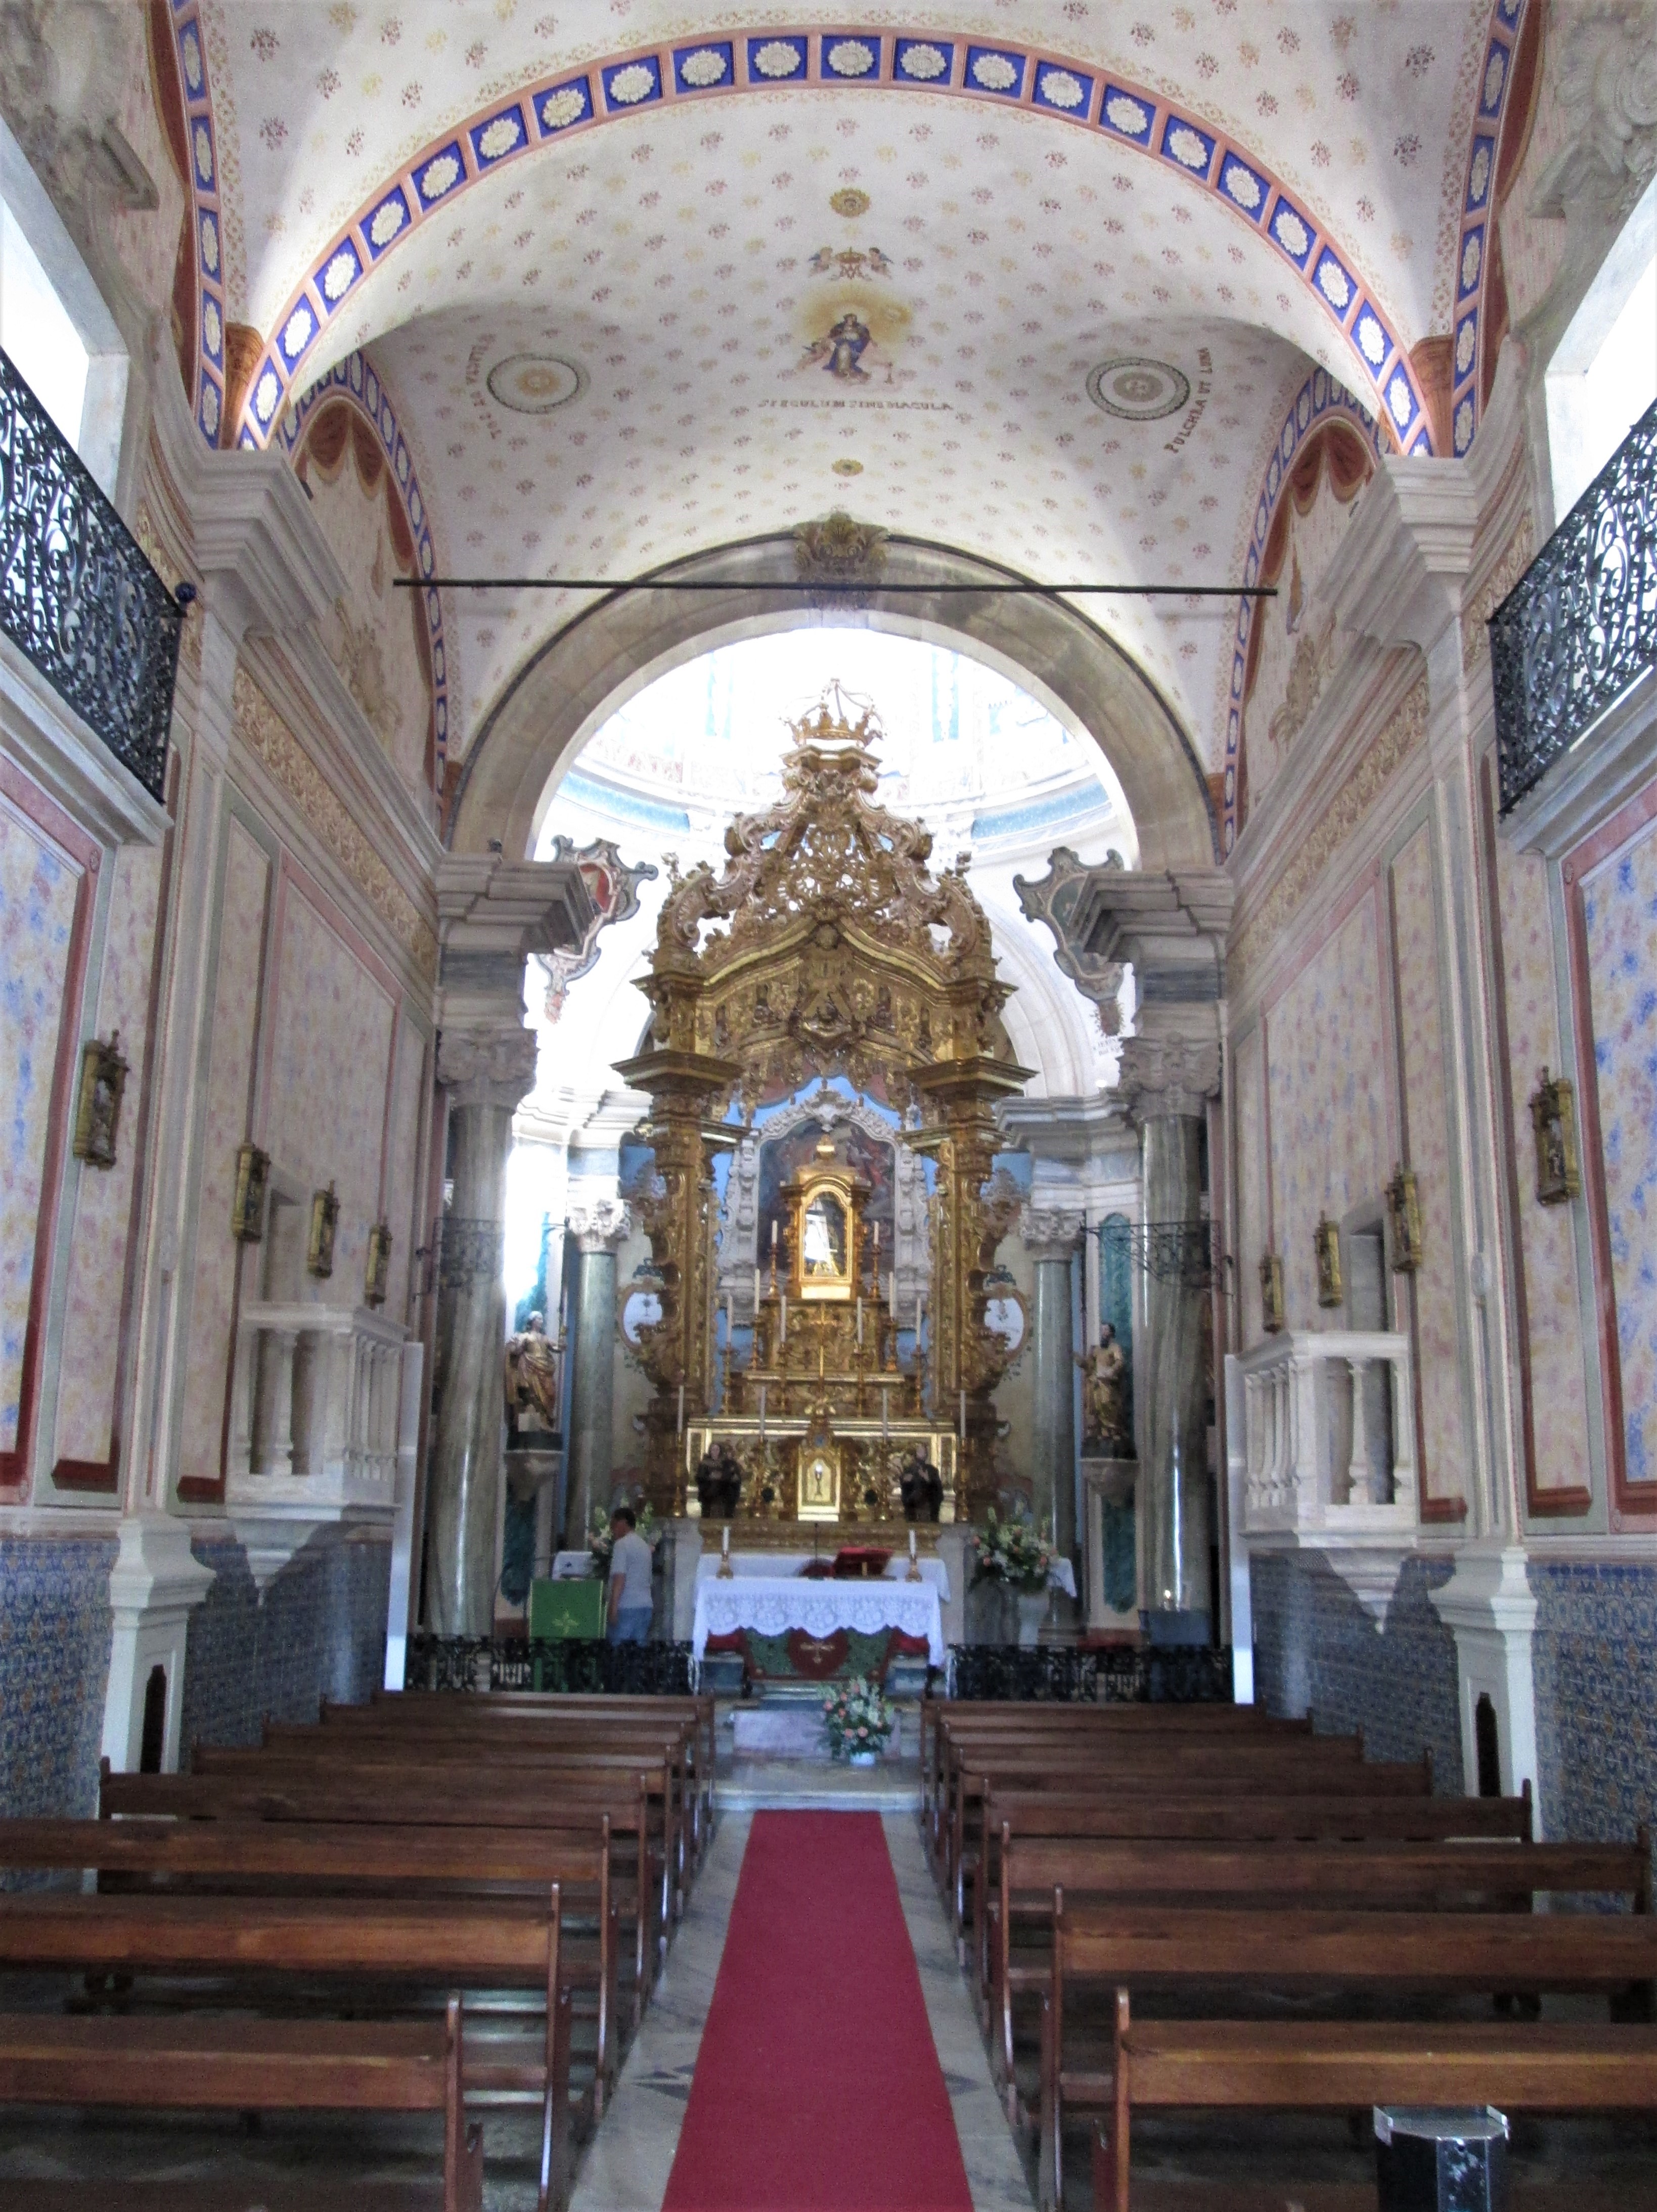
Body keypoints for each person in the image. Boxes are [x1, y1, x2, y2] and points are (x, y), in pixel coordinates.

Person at [606, 1505, 654, 1644]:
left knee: (620, 1655)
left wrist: (614, 1608)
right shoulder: (644, 1546)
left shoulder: (622, 1545)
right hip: (645, 1607)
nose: (612, 1530)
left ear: (623, 1523)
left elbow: (620, 1578)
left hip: (626, 1607)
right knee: (638, 1657)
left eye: (614, 1525)